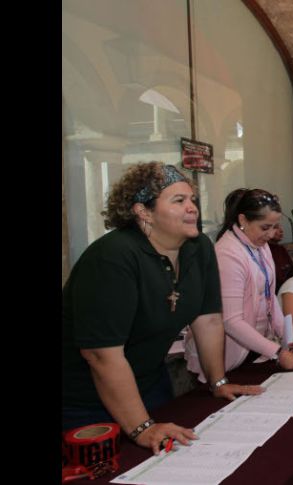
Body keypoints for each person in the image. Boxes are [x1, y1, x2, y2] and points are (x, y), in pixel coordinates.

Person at [62, 162, 261, 454]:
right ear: (143, 212)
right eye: (179, 201)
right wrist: (141, 427)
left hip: (151, 386)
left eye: (192, 199)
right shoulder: (113, 257)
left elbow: (207, 320)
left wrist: (218, 381)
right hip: (85, 402)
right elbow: (100, 355)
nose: (192, 207)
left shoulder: (199, 247)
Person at [185, 188, 293, 382]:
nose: (271, 234)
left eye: (275, 227)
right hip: (226, 357)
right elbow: (231, 321)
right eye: (265, 227)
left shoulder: (260, 245)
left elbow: (269, 296)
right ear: (243, 221)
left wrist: (286, 335)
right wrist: (276, 352)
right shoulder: (227, 253)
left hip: (255, 349)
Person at [268, 223, 293, 292]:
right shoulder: (265, 250)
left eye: (280, 227)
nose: (281, 231)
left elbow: (292, 270)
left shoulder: (281, 249)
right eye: (276, 227)